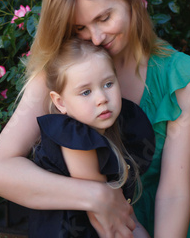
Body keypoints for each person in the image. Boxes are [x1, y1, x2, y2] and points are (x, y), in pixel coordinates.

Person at [0, 0, 190, 238]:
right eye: (80, 29)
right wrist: (97, 196)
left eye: (104, 18)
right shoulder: (63, 74)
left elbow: (174, 192)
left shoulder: (179, 77)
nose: (97, 38)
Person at [28, 38, 151, 238]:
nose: (102, 98)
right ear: (60, 102)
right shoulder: (74, 139)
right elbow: (106, 222)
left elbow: (124, 216)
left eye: (108, 84)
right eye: (86, 92)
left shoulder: (114, 131)